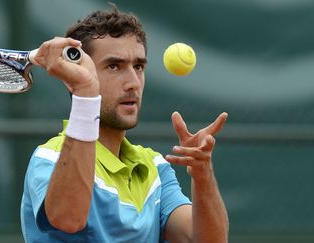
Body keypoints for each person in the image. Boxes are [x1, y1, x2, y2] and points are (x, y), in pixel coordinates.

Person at [21, 5, 229, 243]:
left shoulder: (154, 168)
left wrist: (203, 176)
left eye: (138, 66)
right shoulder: (49, 158)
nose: (133, 82)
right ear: (73, 78)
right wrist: (85, 93)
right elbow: (69, 220)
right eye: (114, 66)